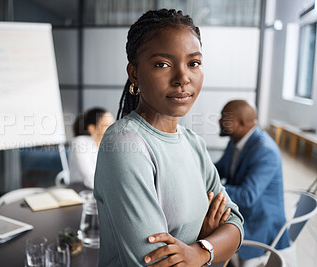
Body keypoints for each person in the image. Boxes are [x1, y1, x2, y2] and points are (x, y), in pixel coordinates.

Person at [94, 9, 244, 266]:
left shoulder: (192, 142)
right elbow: (156, 263)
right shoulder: (124, 144)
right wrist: (209, 243)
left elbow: (236, 223)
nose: (183, 78)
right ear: (134, 73)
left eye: (193, 63)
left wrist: (199, 251)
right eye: (162, 64)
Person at [215, 100, 290, 265]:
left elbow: (247, 196)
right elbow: (218, 170)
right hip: (243, 212)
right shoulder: (235, 141)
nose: (219, 121)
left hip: (258, 223)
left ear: (241, 124)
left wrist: (211, 189)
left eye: (225, 118)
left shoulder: (265, 151)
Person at [68, 107, 114, 189]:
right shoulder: (80, 143)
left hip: (102, 190)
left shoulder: (110, 145)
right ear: (92, 129)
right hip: (81, 189)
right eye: (106, 125)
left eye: (113, 124)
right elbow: (90, 178)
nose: (113, 129)